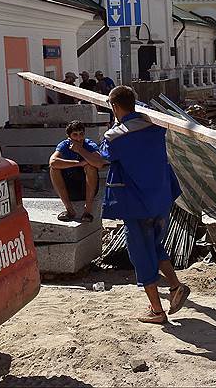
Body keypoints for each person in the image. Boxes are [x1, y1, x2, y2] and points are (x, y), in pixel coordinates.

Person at [74, 86, 189, 324]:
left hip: (137, 204)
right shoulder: (155, 124)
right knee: (155, 246)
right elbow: (140, 109)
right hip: (161, 197)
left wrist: (79, 149)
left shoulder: (116, 137)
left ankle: (157, 311)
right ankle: (176, 287)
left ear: (114, 107)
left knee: (141, 254)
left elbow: (99, 161)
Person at [48, 121, 100, 223]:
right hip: (70, 187)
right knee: (54, 170)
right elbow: (53, 162)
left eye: (81, 134)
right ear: (69, 136)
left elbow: (99, 163)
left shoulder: (89, 144)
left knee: (91, 167)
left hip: (86, 187)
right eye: (75, 135)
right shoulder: (64, 145)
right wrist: (78, 163)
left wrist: (80, 150)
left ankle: (87, 211)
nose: (79, 138)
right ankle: (70, 210)